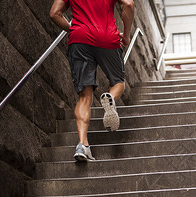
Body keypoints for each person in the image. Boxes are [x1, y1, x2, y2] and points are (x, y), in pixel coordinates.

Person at [50, 0, 135, 161]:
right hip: (107, 37)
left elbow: (54, 14)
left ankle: (83, 145)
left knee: (84, 97)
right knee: (118, 82)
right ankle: (110, 98)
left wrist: (74, 29)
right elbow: (128, 5)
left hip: (79, 40)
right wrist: (127, 34)